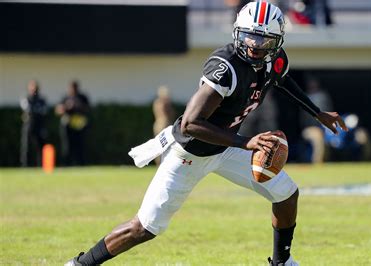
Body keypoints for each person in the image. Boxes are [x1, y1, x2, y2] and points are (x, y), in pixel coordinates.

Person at [65, 2, 347, 265]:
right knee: (145, 228)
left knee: (286, 193)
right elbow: (190, 123)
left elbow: (283, 81)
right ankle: (80, 263)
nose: (255, 47)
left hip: (225, 147)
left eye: (264, 42)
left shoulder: (274, 61)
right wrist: (245, 142)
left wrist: (317, 112)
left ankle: (282, 262)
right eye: (250, 38)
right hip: (190, 152)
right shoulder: (227, 69)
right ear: (238, 33)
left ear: (277, 42)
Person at [55, 80, 90, 166]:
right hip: (67, 126)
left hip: (79, 126)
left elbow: (87, 109)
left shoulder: (82, 97)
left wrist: (77, 105)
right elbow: (58, 110)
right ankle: (66, 164)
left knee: (80, 146)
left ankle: (81, 164)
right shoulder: (65, 98)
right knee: (67, 147)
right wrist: (66, 107)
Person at [301, 77, 333, 163]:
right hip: (310, 128)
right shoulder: (304, 96)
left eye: (314, 82)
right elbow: (305, 118)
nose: (313, 85)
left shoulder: (323, 95)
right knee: (318, 137)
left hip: (325, 127)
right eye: (311, 83)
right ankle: (317, 163)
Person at [19, 80, 48, 167]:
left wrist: (34, 110)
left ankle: (41, 166)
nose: (34, 89)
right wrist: (34, 110)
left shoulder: (42, 100)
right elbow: (27, 109)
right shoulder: (26, 98)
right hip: (28, 126)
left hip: (39, 126)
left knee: (40, 147)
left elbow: (43, 111)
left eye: (35, 87)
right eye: (32, 87)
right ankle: (25, 166)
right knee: (26, 147)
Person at [152, 86, 176, 164]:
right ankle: (160, 162)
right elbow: (167, 114)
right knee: (163, 144)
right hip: (163, 124)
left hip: (159, 124)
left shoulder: (157, 102)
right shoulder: (162, 103)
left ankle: (162, 162)